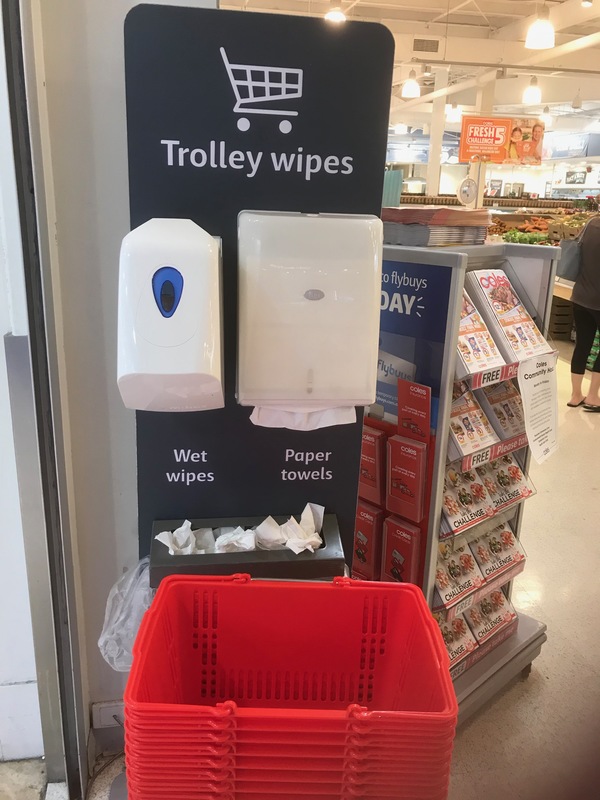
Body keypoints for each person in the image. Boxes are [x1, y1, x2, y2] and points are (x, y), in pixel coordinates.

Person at [568, 216, 600, 410]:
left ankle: (575, 394)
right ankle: (593, 396)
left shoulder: (590, 223)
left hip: (580, 296)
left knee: (582, 345)